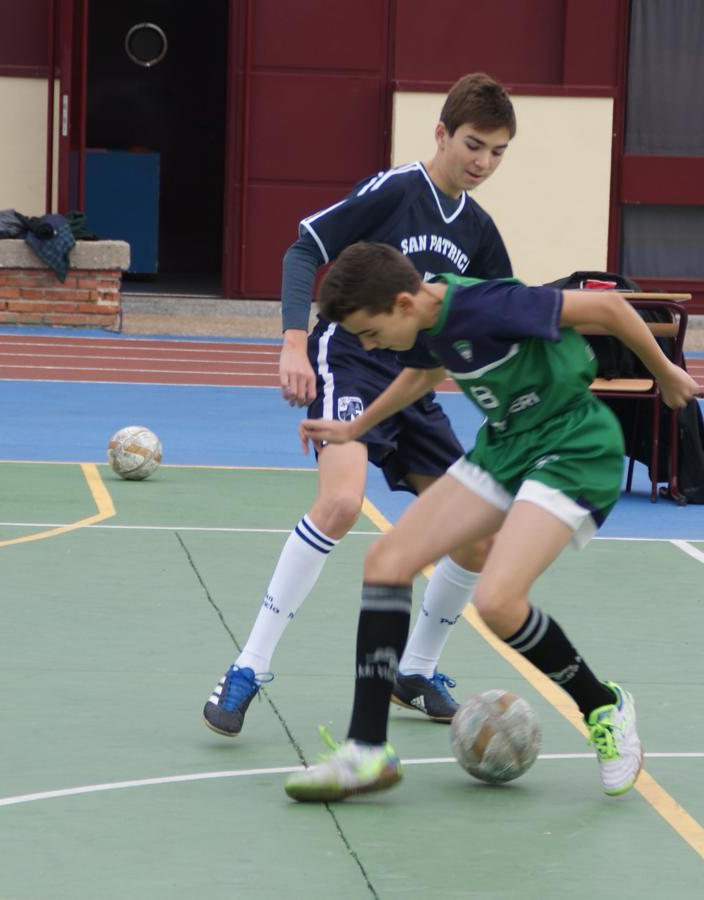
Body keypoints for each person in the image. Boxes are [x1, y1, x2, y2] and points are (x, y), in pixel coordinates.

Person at [283, 242, 702, 802]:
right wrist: (354, 429)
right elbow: (421, 373)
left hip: (573, 445)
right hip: (505, 447)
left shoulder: (490, 305)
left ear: (405, 304)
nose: (367, 345)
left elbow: (609, 310)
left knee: (500, 603)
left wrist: (667, 373)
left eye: (370, 332)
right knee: (386, 560)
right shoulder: (420, 319)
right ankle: (366, 751)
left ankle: (603, 705)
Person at [203, 73, 517, 737]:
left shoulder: (482, 233)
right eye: (473, 144)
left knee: (482, 534)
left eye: (497, 151)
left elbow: (496, 317)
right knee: (342, 503)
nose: (483, 161)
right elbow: (302, 249)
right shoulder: (397, 190)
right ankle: (249, 665)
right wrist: (293, 342)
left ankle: (415, 669)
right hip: (348, 357)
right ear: (440, 133)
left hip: (415, 379)